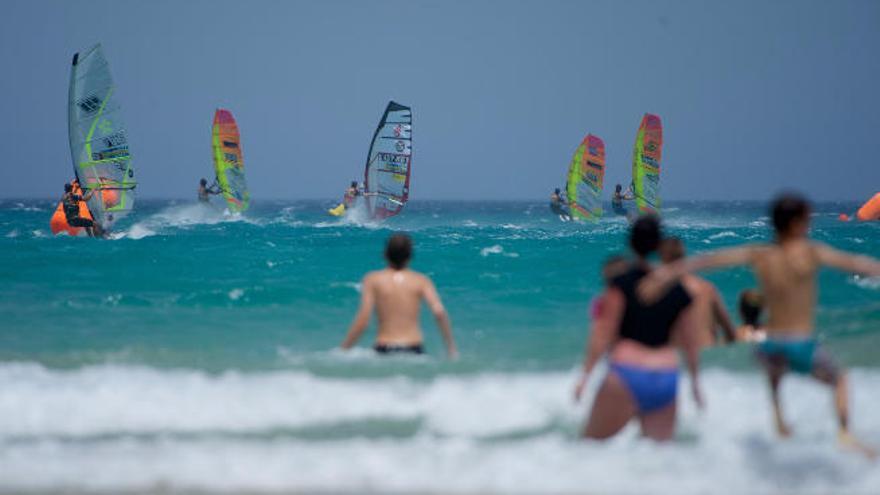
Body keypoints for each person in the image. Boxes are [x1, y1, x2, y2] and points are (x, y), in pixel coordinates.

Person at [640, 193, 880, 457]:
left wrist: (665, 273)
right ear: (797, 223)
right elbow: (857, 264)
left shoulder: (761, 254)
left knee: (774, 370)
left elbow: (712, 260)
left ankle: (779, 419)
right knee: (840, 379)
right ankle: (844, 433)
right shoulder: (810, 252)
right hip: (798, 342)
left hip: (768, 346)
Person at [573, 215, 702, 441]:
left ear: (630, 243)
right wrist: (695, 383)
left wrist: (585, 377)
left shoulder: (621, 283)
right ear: (657, 244)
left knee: (589, 447)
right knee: (658, 459)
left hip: (627, 370)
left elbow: (603, 333)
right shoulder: (677, 288)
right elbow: (690, 341)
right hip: (666, 374)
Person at [341, 234, 458, 358]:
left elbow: (363, 319)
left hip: (385, 347)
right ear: (410, 256)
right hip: (414, 348)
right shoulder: (421, 280)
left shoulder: (373, 279)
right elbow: (439, 312)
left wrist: (344, 349)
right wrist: (451, 348)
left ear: (385, 254)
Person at [659, 237, 736, 348]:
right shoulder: (706, 289)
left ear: (663, 258)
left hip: (674, 357)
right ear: (683, 256)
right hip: (708, 355)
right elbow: (730, 333)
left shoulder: (656, 291)